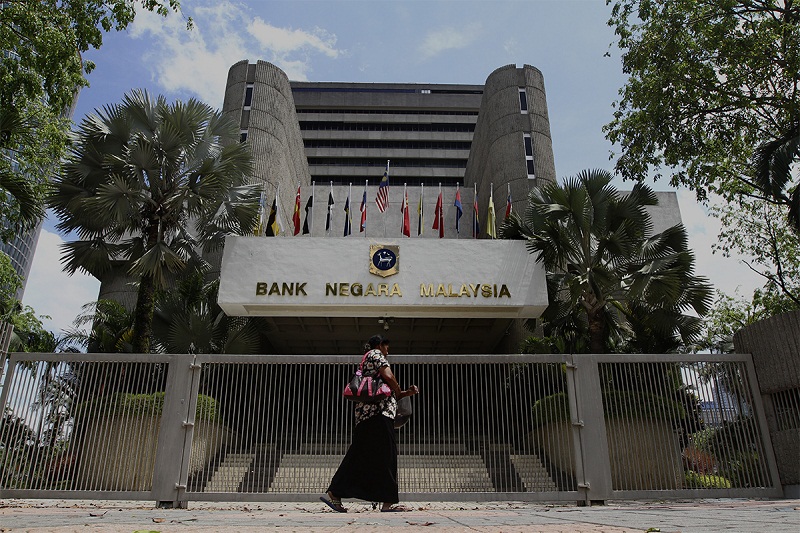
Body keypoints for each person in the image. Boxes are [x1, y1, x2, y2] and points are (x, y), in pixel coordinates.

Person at [321, 335, 419, 513]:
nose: (387, 351)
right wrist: (398, 389)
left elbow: (384, 391)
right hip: (379, 415)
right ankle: (387, 502)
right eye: (386, 348)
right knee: (387, 455)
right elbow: (388, 376)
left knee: (360, 454)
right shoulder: (376, 354)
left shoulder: (365, 360)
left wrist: (405, 393)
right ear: (380, 345)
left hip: (366, 416)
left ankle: (335, 491)